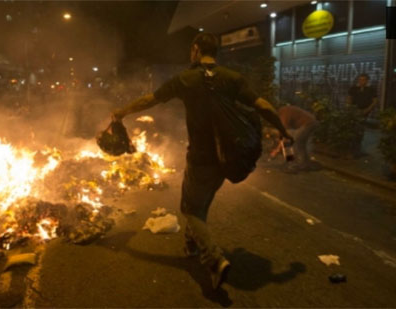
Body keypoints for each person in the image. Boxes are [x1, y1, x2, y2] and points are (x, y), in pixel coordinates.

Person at [111, 33, 292, 290]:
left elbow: (150, 99)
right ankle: (192, 245)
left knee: (190, 209)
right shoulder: (232, 78)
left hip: (201, 157)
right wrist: (282, 130)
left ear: (195, 50)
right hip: (228, 156)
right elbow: (262, 105)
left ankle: (214, 259)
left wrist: (122, 112)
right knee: (201, 201)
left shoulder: (186, 79)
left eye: (190, 50)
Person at [270, 105, 319, 171]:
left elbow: (284, 135)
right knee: (301, 145)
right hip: (312, 122)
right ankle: (305, 164)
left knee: (296, 144)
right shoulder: (284, 112)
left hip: (308, 123)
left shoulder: (283, 113)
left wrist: (277, 150)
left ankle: (296, 165)